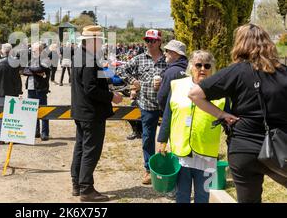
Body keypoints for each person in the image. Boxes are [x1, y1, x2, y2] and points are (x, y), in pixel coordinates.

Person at [189, 24, 287, 203]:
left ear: (240, 44)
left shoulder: (236, 71)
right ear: (268, 43)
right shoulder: (283, 72)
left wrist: (222, 115)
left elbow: (194, 94)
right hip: (280, 148)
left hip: (243, 149)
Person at [157, 50, 228, 203]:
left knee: (203, 195)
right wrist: (162, 140)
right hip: (181, 151)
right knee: (182, 194)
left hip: (207, 153)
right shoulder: (177, 86)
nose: (202, 69)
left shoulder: (221, 91)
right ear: (191, 67)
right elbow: (168, 115)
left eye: (207, 66)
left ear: (212, 68)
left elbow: (229, 120)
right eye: (198, 65)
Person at [71, 25, 123, 202]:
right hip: (91, 113)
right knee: (90, 151)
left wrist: (109, 76)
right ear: (92, 41)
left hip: (82, 111)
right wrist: (111, 97)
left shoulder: (80, 56)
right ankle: (86, 189)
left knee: (81, 148)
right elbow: (91, 88)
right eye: (99, 40)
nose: (101, 43)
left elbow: (92, 81)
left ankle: (77, 184)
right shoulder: (88, 60)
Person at [117, 29, 167, 184]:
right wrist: (132, 81)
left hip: (166, 104)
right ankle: (148, 170)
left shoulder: (168, 59)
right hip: (146, 104)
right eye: (147, 41)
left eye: (152, 41)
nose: (149, 44)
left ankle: (170, 168)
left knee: (170, 138)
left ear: (159, 42)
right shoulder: (139, 59)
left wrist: (165, 82)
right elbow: (120, 70)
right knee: (147, 138)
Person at [23, 42, 51, 141]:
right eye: (32, 50)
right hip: (30, 88)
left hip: (41, 88)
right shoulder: (30, 60)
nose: (33, 51)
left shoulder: (45, 59)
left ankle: (45, 133)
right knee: (32, 111)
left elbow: (41, 68)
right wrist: (36, 72)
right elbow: (24, 71)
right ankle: (35, 132)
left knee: (44, 111)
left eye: (35, 50)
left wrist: (32, 70)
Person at [157, 40, 188, 111]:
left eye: (167, 51)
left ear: (174, 53)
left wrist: (166, 112)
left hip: (173, 112)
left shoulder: (171, 72)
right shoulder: (191, 69)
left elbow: (162, 97)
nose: (164, 53)